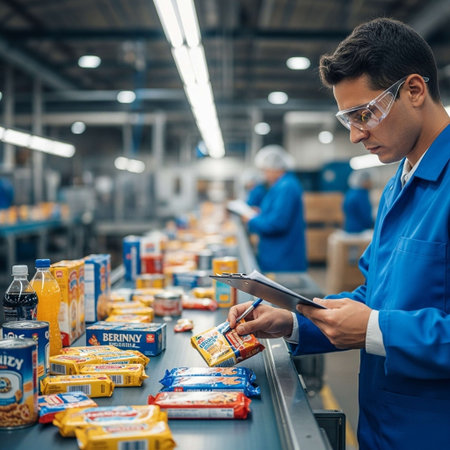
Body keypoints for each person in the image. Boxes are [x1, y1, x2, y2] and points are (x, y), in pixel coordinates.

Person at [228, 18, 449, 450]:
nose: (354, 134)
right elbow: (376, 298)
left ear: (415, 91)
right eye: (347, 118)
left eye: (365, 113)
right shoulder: (397, 185)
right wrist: (296, 322)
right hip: (382, 427)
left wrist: (374, 330)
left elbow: (376, 321)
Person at [241, 145, 307, 272]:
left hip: (283, 258)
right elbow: (274, 213)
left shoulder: (286, 187)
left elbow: (277, 223)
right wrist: (260, 214)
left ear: (275, 168)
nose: (264, 175)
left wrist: (251, 219)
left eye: (265, 170)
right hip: (275, 254)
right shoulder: (280, 185)